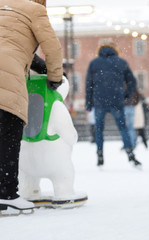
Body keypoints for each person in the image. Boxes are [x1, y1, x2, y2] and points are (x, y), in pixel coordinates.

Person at [0, 0, 63, 214]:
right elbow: (52, 47)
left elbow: (13, 44)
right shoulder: (35, 10)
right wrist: (55, 76)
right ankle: (7, 195)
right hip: (6, 77)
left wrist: (41, 66)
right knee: (8, 134)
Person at [85, 42, 141, 168]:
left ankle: (100, 155)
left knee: (99, 129)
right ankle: (130, 154)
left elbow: (89, 85)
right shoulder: (121, 62)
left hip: (99, 101)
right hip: (116, 100)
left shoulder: (94, 63)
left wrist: (88, 103)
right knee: (123, 128)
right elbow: (132, 81)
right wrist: (126, 95)